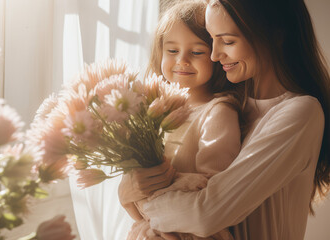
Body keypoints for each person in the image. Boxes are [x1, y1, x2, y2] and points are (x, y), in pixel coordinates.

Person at [120, 0, 330, 239]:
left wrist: (138, 200)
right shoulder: (228, 103)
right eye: (211, 39)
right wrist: (128, 188)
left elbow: (205, 213)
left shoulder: (300, 112)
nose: (214, 54)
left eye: (228, 41)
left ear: (275, 36)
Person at [118, 1, 244, 239]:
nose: (182, 61)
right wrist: (130, 191)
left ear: (216, 56)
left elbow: (211, 189)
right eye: (172, 51)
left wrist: (159, 184)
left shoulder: (218, 111)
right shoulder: (152, 113)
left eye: (197, 52)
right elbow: (134, 199)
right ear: (160, 51)